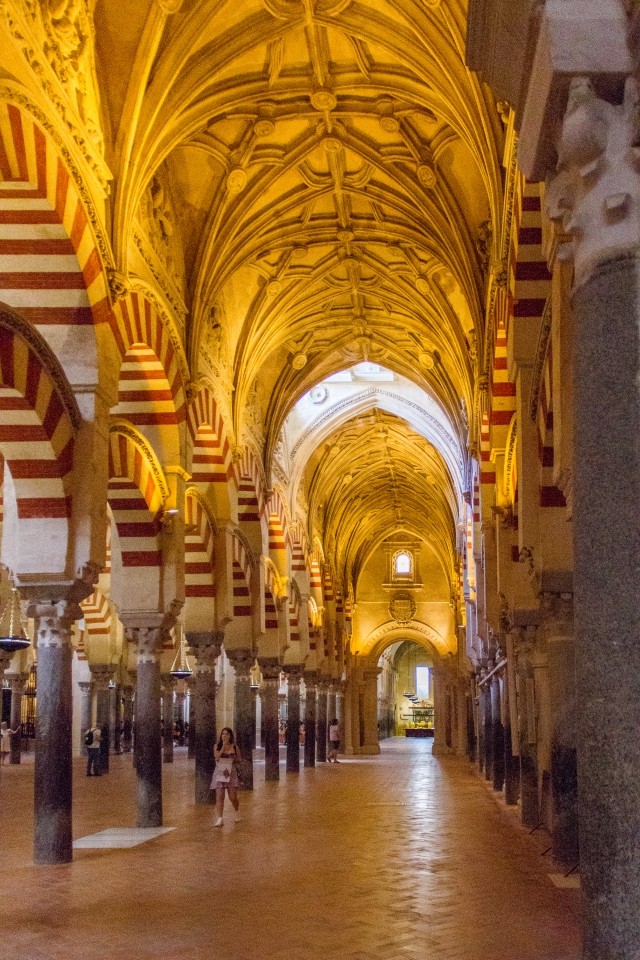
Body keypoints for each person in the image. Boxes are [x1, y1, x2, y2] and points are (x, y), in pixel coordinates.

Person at [212, 727, 242, 826]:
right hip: (220, 771)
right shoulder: (217, 746)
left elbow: (239, 759)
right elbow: (216, 757)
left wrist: (233, 757)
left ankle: (237, 810)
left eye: (227, 734)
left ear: (230, 736)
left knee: (232, 796)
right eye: (223, 734)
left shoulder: (235, 747)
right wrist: (223, 747)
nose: (224, 736)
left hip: (231, 772)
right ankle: (220, 818)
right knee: (219, 796)